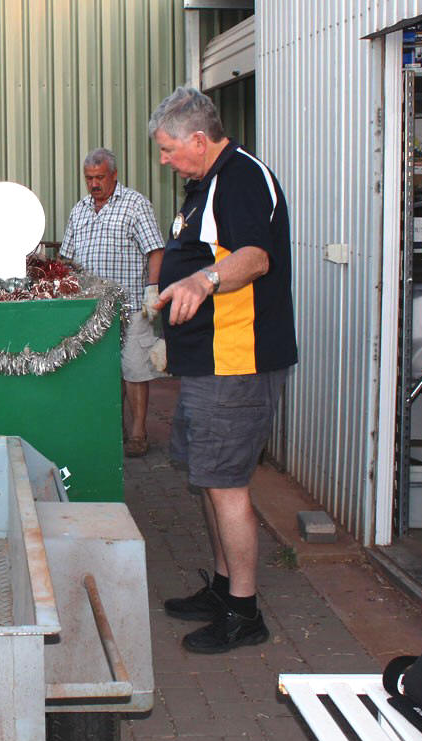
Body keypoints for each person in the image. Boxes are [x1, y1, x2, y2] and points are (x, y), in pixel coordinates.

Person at [149, 86, 297, 654]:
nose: (165, 160)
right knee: (208, 478)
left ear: (198, 139)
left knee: (227, 485)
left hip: (237, 364)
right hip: (207, 364)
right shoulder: (204, 185)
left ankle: (243, 611)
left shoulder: (239, 178)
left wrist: (203, 279)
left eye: (168, 149)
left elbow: (255, 256)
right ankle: (222, 587)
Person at [59, 147, 165, 457]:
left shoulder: (135, 205)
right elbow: (67, 259)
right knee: (103, 372)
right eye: (89, 178)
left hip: (131, 305)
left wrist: (152, 289)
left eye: (100, 177)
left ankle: (139, 434)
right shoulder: (79, 210)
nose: (94, 184)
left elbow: (155, 250)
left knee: (134, 369)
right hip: (93, 310)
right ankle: (112, 429)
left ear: (114, 175)